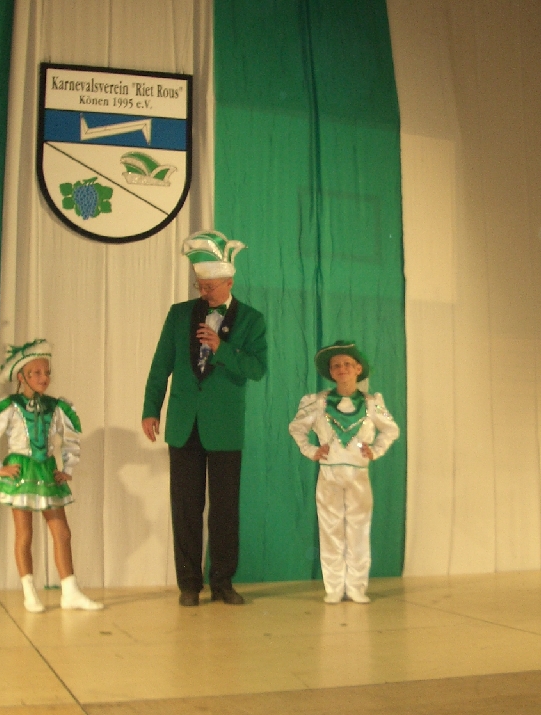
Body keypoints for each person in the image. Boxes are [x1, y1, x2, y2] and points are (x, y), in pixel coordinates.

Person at [142, 230, 267, 607]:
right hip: (183, 424)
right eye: (200, 285)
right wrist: (151, 409)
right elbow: (161, 365)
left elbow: (257, 369)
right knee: (185, 509)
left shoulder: (252, 320)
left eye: (210, 286)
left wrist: (222, 349)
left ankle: (223, 582)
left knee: (225, 510)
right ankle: (189, 585)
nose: (204, 292)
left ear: (229, 282)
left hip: (225, 427)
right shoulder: (179, 314)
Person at [0, 339, 102, 612]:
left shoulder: (56, 407)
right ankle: (29, 592)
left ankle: (70, 591)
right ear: (21, 377)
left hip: (45, 470)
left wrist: (67, 468)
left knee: (62, 532)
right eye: (36, 373)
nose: (43, 378)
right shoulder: (9, 405)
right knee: (25, 534)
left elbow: (70, 438)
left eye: (47, 373)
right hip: (22, 471)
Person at [287, 341, 399, 604]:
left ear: (358, 369)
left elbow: (390, 429)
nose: (342, 369)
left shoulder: (371, 403)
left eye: (348, 364)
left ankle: (357, 586)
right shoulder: (318, 403)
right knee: (330, 530)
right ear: (330, 371)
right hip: (330, 475)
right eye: (336, 365)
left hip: (359, 476)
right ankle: (334, 586)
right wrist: (311, 450)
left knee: (359, 530)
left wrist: (376, 450)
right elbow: (297, 428)